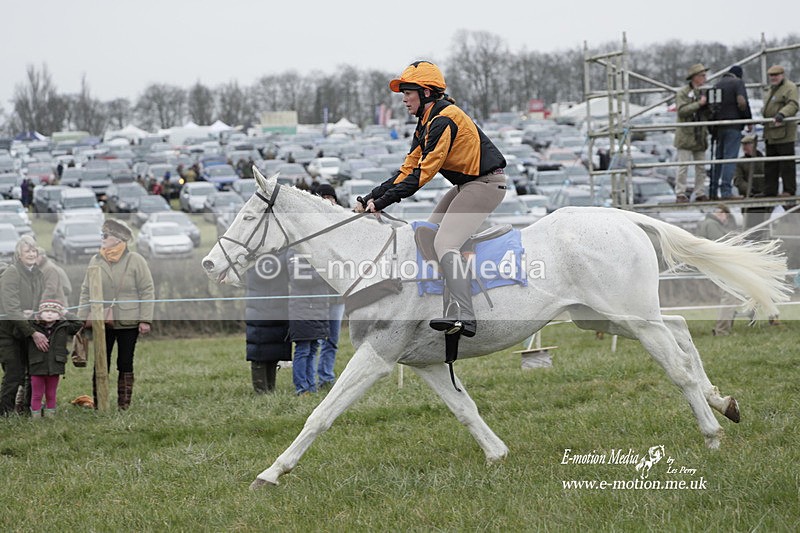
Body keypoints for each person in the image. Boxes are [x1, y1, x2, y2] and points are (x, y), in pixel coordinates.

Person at [356, 60, 507, 337]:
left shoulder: (443, 120)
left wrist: (381, 203)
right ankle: (445, 301)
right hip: (468, 184)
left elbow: (422, 176)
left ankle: (465, 316)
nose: (403, 100)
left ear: (426, 93)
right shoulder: (426, 123)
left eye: (407, 93)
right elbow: (407, 170)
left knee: (444, 243)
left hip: (484, 184)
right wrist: (370, 197)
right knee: (427, 233)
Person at [77, 219, 154, 410]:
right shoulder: (95, 260)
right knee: (101, 361)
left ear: (118, 239)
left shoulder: (136, 260)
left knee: (125, 362)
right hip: (101, 321)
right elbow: (85, 290)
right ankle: (100, 403)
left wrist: (145, 319)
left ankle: (124, 406)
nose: (102, 239)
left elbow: (147, 290)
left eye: (106, 235)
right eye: (102, 235)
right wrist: (80, 318)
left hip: (129, 320)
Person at [0, 235, 44, 416]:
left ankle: (28, 410)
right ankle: (4, 412)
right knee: (14, 373)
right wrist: (32, 332)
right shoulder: (12, 273)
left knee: (32, 370)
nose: (32, 254)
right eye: (27, 251)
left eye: (34, 250)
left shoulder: (38, 274)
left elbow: (37, 301)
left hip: (26, 329)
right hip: (7, 332)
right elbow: (11, 307)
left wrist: (34, 312)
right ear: (19, 254)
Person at [245, 252, 291, 394]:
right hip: (261, 312)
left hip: (276, 311)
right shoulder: (257, 262)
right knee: (259, 354)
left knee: (273, 353)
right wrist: (287, 253)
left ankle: (270, 389)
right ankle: (261, 391)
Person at [27, 300, 82, 418]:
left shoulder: (64, 327)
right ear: (40, 313)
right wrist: (29, 316)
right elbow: (18, 332)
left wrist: (66, 313)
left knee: (51, 394)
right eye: (46, 311)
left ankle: (50, 417)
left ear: (59, 314)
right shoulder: (32, 326)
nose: (49, 314)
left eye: (53, 311)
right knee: (36, 394)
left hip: (55, 366)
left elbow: (79, 323)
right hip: (37, 366)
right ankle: (35, 419)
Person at [287, 250, 330, 395]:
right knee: (303, 349)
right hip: (302, 309)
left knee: (313, 349)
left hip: (319, 308)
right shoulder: (294, 253)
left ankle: (311, 387)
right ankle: (301, 387)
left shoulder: (317, 251)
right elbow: (299, 277)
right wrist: (323, 272)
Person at [314, 184, 344, 388]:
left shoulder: (342, 225)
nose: (327, 201)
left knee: (332, 340)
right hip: (315, 294)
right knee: (313, 340)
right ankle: (309, 378)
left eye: (330, 197)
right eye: (323, 197)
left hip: (336, 295)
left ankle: (325, 376)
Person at [710, 65, 752, 199]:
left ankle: (712, 190)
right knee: (730, 159)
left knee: (718, 160)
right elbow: (742, 102)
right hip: (733, 125)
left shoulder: (717, 85)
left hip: (718, 126)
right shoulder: (738, 83)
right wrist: (748, 120)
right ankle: (726, 192)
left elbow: (711, 107)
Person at [696, 204, 739, 336]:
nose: (725, 219)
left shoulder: (709, 223)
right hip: (716, 266)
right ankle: (722, 330)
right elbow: (720, 244)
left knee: (732, 295)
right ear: (722, 213)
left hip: (713, 265)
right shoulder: (712, 224)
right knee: (729, 296)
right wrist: (736, 239)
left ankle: (725, 326)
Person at [674, 63, 711, 203]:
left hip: (700, 135)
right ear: (694, 77)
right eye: (702, 75)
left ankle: (700, 192)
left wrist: (708, 106)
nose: (704, 78)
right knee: (683, 166)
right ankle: (680, 193)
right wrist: (699, 104)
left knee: (701, 167)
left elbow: (708, 114)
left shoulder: (704, 92)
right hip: (686, 135)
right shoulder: (683, 93)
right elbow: (682, 110)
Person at [762, 65, 799, 197]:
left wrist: (781, 115)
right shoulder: (770, 89)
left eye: (776, 75)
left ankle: (789, 190)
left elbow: (793, 104)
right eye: (771, 76)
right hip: (770, 132)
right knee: (770, 164)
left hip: (784, 133)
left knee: (786, 164)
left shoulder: (790, 87)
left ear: (782, 75)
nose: (773, 78)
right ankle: (770, 191)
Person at [733, 135, 770, 237]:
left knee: (764, 226)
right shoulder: (741, 162)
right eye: (743, 145)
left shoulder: (764, 160)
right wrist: (749, 189)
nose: (745, 147)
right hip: (749, 198)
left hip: (764, 198)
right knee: (750, 228)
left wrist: (766, 191)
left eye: (748, 144)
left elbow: (770, 177)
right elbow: (738, 180)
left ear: (754, 145)